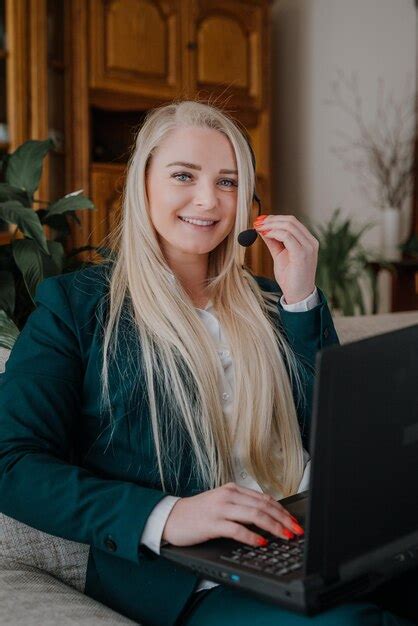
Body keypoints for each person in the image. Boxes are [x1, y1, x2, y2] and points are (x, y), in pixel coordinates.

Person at [0, 100, 415, 626]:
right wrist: (169, 515)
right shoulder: (75, 307)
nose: (208, 200)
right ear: (142, 181)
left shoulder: (277, 300)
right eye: (183, 175)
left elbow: (346, 439)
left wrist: (302, 301)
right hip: (193, 581)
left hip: (314, 543)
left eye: (228, 181)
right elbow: (10, 462)